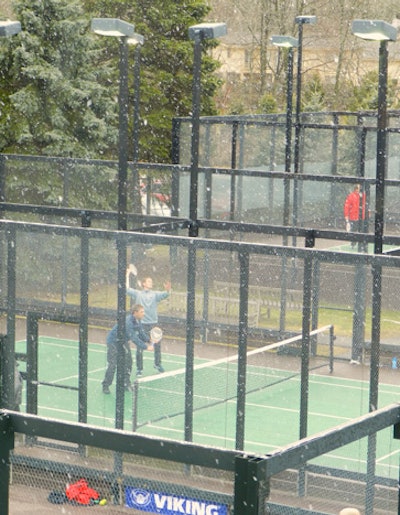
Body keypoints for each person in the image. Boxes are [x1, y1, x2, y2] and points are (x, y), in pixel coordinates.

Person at [126, 266, 171, 375]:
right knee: (140, 347)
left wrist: (168, 289)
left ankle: (157, 364)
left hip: (153, 324)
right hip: (141, 325)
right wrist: (127, 275)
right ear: (144, 284)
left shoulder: (155, 294)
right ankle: (139, 369)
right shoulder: (138, 293)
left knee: (157, 345)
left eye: (151, 281)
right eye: (149, 281)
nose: (151, 283)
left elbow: (166, 294)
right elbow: (126, 289)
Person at [102, 304, 154, 395]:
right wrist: (146, 347)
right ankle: (105, 385)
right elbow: (133, 337)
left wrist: (148, 340)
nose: (144, 314)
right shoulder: (128, 322)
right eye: (142, 312)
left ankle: (126, 383)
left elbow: (140, 332)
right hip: (113, 342)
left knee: (128, 362)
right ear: (135, 312)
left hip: (123, 342)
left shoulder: (138, 321)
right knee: (112, 364)